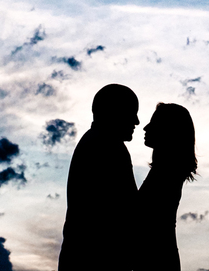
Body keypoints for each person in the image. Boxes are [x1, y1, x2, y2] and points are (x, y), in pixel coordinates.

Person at [57, 84, 139, 271]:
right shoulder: (109, 147)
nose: (136, 121)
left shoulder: (98, 142)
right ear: (113, 112)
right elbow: (128, 210)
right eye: (131, 112)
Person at [136, 103, 198, 271]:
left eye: (154, 123)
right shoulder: (165, 170)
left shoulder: (167, 172)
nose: (145, 128)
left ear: (169, 130)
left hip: (157, 261)